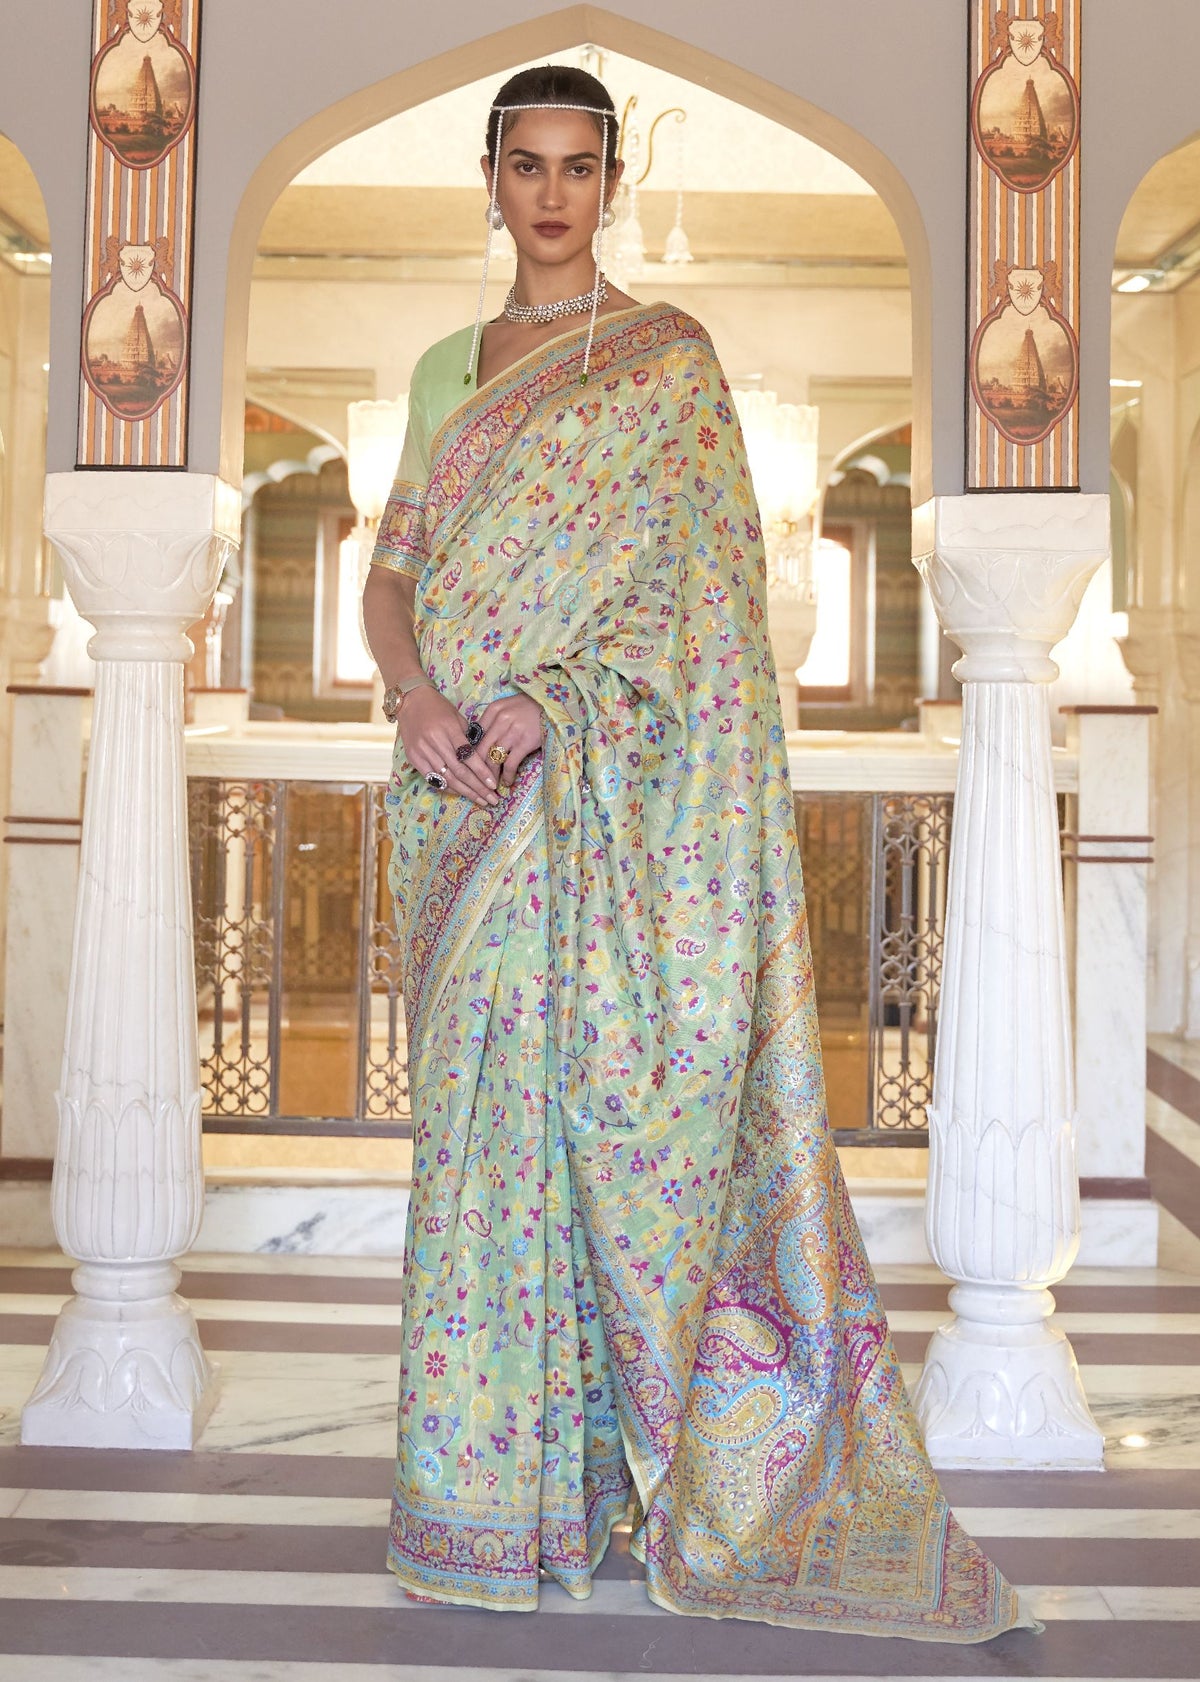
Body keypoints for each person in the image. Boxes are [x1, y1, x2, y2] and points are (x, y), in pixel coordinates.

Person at [362, 62, 1035, 1643]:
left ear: (611, 181)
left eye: (576, 167)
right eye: (522, 164)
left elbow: (705, 620)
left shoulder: (669, 368)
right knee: (475, 1142)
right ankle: (476, 1501)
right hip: (456, 804)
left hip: (587, 807)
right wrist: (417, 701)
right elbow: (389, 574)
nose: (548, 193)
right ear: (488, 175)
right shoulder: (446, 369)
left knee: (584, 1134)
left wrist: (554, 701)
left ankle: (594, 1489)